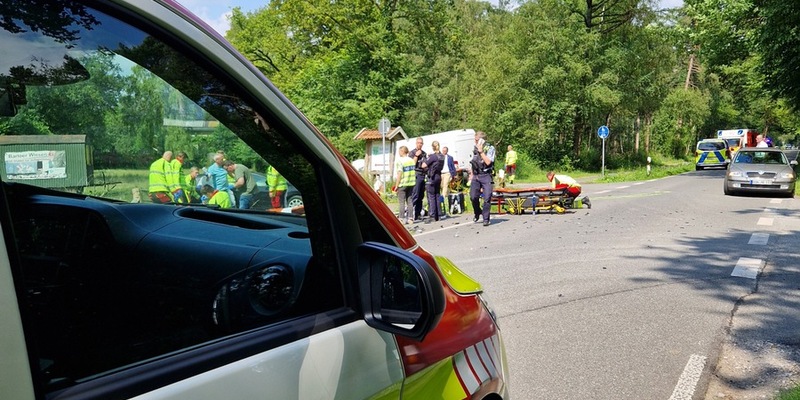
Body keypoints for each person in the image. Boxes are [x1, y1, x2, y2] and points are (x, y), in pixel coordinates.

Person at [469, 131, 495, 226]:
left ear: (482, 140)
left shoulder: (490, 148)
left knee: (487, 197)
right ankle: (477, 212)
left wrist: (481, 152)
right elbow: (474, 162)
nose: (475, 141)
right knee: (473, 197)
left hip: (486, 175)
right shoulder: (474, 148)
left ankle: (486, 218)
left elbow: (488, 162)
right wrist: (471, 175)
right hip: (476, 175)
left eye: (477, 139)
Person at [422, 141, 443, 222]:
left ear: (433, 147)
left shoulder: (433, 156)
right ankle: (439, 215)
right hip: (438, 176)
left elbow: (424, 165)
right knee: (437, 195)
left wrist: (425, 160)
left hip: (432, 177)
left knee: (431, 196)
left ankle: (432, 215)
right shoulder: (441, 156)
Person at [393, 146, 416, 224]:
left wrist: (396, 185)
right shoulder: (411, 160)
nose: (399, 153)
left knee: (401, 202)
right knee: (410, 201)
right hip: (411, 183)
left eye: (399, 151)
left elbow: (399, 173)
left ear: (402, 151)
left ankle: (402, 218)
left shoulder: (400, 161)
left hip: (403, 183)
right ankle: (410, 218)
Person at [410, 137, 427, 220]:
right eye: (418, 143)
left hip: (423, 174)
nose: (420, 144)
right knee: (415, 195)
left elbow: (425, 163)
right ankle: (410, 214)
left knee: (421, 196)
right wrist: (416, 155)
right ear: (416, 143)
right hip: (416, 174)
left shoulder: (424, 153)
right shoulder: (412, 152)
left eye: (421, 143)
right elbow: (412, 164)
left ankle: (418, 214)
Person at [440, 146, 456, 217]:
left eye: (445, 150)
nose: (444, 152)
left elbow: (452, 166)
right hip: (441, 173)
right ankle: (445, 194)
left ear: (447, 151)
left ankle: (443, 197)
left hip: (447, 173)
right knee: (442, 186)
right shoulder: (439, 157)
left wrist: (454, 174)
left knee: (445, 185)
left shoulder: (450, 157)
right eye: (443, 150)